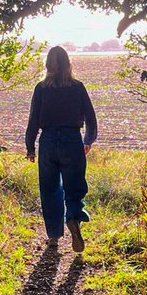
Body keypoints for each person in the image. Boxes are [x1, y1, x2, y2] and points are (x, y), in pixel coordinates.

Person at [25, 46, 98, 252]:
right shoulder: (78, 87)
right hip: (72, 139)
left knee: (49, 189)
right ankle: (74, 217)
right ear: (68, 64)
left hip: (47, 141)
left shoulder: (41, 88)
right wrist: (88, 140)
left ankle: (54, 236)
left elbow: (33, 120)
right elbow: (91, 119)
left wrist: (30, 147)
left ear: (47, 65)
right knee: (73, 185)